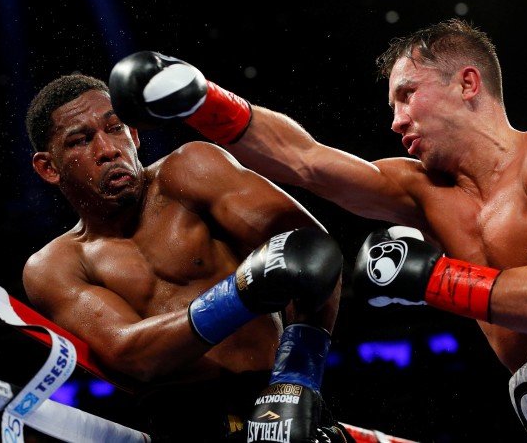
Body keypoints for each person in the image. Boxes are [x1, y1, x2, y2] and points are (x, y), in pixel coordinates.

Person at [107, 18, 527, 442]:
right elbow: (305, 160)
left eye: (408, 95)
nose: (396, 120)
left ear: (467, 84)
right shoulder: (422, 194)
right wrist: (203, 101)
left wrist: (431, 279)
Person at [22, 73, 357, 443]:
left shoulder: (192, 171)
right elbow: (131, 355)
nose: (107, 149)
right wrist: (242, 293)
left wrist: (296, 382)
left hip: (277, 399)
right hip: (184, 426)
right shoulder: (55, 266)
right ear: (48, 168)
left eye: (115, 128)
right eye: (80, 140)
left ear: (134, 134)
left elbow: (312, 253)